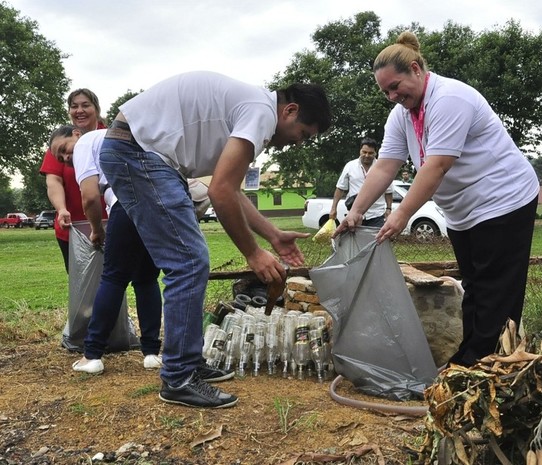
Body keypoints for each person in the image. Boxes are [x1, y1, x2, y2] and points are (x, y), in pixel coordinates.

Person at [99, 71, 332, 408]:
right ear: (290, 110)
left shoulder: (253, 108)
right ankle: (178, 378)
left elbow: (229, 188)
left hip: (141, 151)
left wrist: (273, 234)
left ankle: (188, 363)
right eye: (302, 134)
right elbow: (220, 192)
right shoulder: (261, 112)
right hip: (137, 151)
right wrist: (253, 253)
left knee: (189, 260)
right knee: (188, 261)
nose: (297, 142)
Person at [335, 31, 539, 368]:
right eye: (385, 91)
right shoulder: (402, 114)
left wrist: (400, 215)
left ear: (416, 69)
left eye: (395, 86)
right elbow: (386, 165)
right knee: (474, 286)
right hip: (465, 210)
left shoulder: (449, 99)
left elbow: (437, 166)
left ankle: (488, 365)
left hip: (504, 200)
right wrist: (356, 210)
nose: (391, 96)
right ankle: (469, 358)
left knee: (496, 290)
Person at [48, 125, 163, 374]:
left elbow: (89, 197)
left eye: (64, 149)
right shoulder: (115, 135)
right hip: (158, 200)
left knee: (113, 278)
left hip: (126, 201)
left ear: (76, 134)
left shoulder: (86, 143)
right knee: (146, 279)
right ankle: (152, 353)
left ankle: (92, 355)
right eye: (60, 158)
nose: (67, 157)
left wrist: (97, 230)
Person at [40, 89, 108, 272]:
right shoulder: (59, 144)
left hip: (110, 223)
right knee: (80, 282)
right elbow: (53, 181)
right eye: (74, 106)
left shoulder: (109, 136)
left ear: (96, 108)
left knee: (113, 278)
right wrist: (61, 209)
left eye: (85, 105)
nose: (79, 110)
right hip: (72, 229)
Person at [329, 138, 393, 228]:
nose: (367, 155)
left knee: (376, 241)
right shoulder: (350, 166)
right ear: (360, 151)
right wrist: (333, 208)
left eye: (370, 153)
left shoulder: (382, 168)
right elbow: (340, 188)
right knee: (353, 240)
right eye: (364, 152)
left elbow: (389, 191)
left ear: (375, 153)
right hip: (353, 214)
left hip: (376, 215)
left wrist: (389, 209)